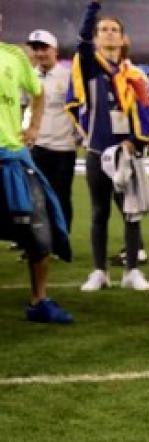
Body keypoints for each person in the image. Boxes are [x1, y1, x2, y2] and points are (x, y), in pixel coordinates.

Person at [67, 1, 149, 293]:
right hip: (97, 154)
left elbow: (144, 110)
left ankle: (132, 271)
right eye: (102, 30)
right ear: (95, 37)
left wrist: (134, 141)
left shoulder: (134, 75)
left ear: (122, 38)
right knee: (98, 213)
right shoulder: (90, 67)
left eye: (114, 30)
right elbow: (81, 42)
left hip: (126, 154)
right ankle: (99, 272)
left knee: (131, 214)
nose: (108, 34)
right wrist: (92, 8)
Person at [0, 13, 73, 324]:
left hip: (13, 157)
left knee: (39, 232)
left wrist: (34, 127)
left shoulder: (14, 57)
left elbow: (38, 94)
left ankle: (39, 300)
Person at [26, 29, 78, 234]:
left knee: (61, 196)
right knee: (35, 196)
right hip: (36, 146)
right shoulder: (29, 77)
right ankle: (37, 242)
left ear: (54, 50)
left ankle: (60, 240)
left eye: (44, 48)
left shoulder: (69, 77)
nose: (40, 53)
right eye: (36, 49)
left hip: (63, 148)